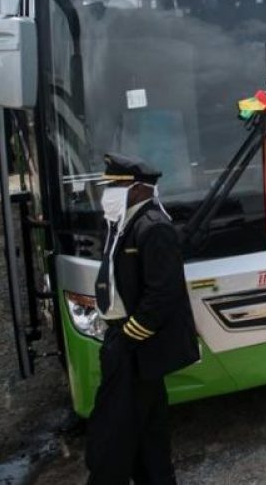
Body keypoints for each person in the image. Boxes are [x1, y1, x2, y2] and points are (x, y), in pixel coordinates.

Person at [86, 152, 200, 485]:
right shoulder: (125, 222)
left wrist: (128, 338)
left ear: (137, 190)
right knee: (146, 429)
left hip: (137, 346)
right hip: (126, 341)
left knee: (114, 429)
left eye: (114, 187)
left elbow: (163, 294)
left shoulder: (154, 227)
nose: (108, 194)